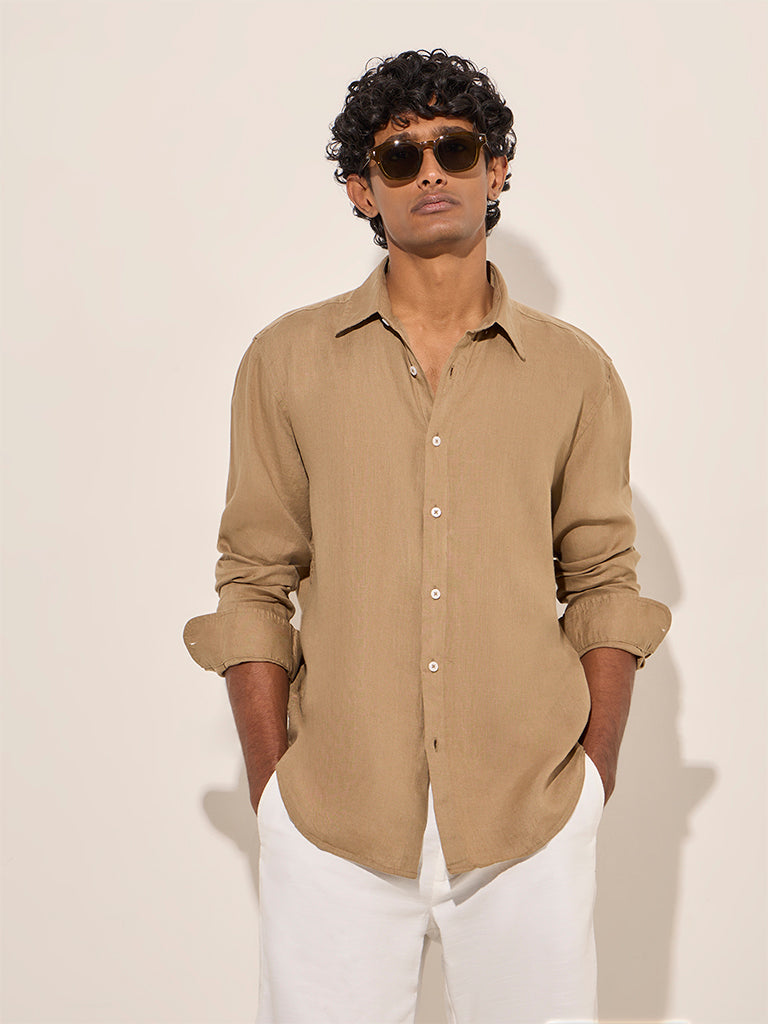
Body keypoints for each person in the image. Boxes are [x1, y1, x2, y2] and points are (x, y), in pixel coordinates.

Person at [183, 48, 672, 1024]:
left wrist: (592, 782)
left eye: (455, 147)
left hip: (530, 815)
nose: (432, 171)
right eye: (400, 156)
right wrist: (276, 789)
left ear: (497, 169)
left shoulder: (574, 372)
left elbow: (604, 580)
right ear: (363, 189)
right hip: (335, 818)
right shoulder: (287, 362)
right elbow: (254, 579)